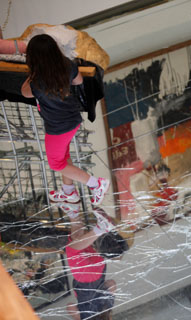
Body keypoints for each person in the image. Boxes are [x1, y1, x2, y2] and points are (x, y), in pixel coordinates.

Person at [20, 34, 109, 205]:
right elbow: (78, 81)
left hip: (57, 128)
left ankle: (96, 184)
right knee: (63, 156)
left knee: (56, 164)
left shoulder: (37, 82)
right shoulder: (67, 66)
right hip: (72, 119)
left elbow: (24, 92)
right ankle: (69, 192)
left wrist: (33, 73)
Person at [60, 202, 116, 320]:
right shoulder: (85, 317)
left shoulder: (107, 308)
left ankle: (73, 210)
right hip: (85, 278)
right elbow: (70, 307)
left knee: (77, 240)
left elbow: (111, 284)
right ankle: (102, 227)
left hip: (99, 267)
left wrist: (101, 292)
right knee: (72, 249)